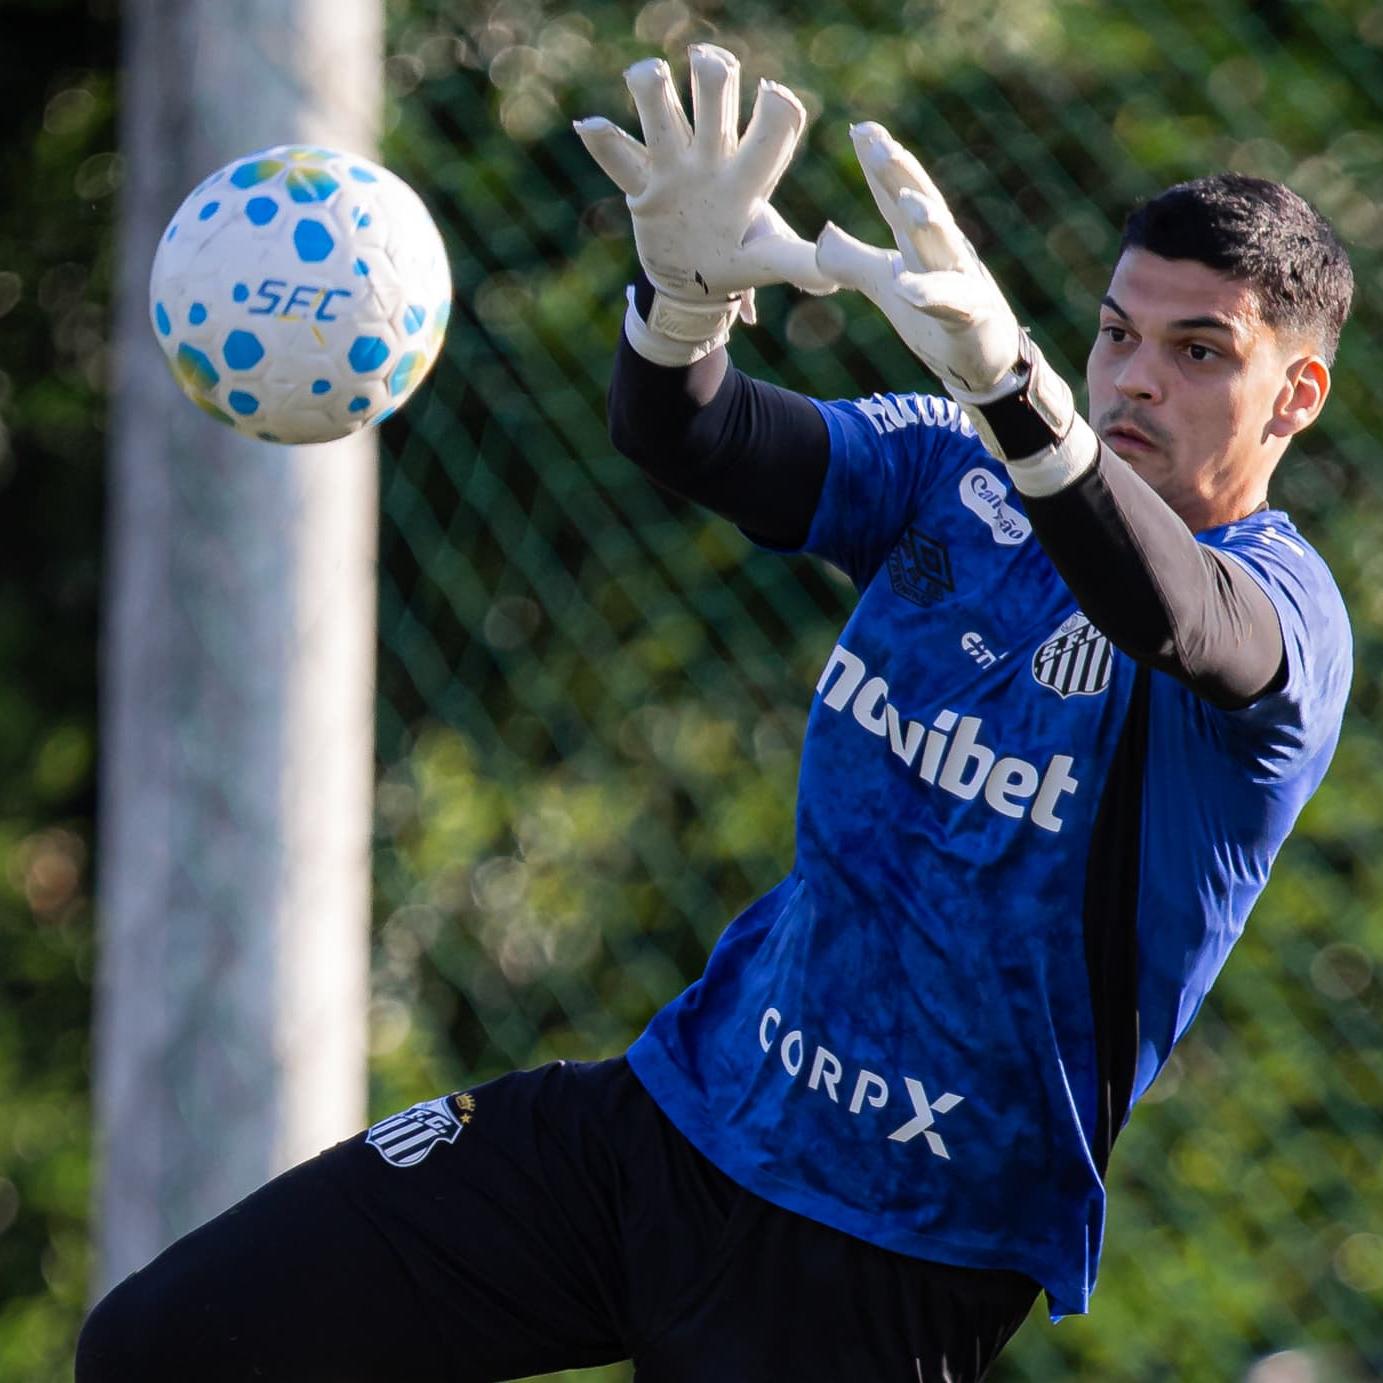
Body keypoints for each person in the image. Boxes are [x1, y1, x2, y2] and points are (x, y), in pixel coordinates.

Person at [76, 44, 1353, 1383]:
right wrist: (678, 304)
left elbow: (1170, 617)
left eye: (1200, 351)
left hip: (887, 1260)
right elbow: (690, 435)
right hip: (665, 1123)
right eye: (1115, 334)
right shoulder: (952, 479)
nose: (1136, 377)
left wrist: (1013, 384)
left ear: (1296, 395)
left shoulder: (1284, 617)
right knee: (164, 1346)